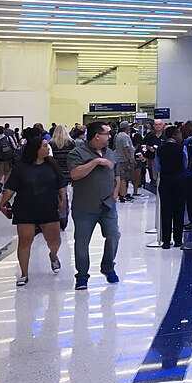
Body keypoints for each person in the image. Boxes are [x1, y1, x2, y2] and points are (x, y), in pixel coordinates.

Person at [0, 131, 66, 286]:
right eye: (44, 146)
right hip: (25, 208)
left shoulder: (52, 165)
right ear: (36, 149)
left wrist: (63, 200)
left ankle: (53, 256)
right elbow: (11, 187)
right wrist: (3, 203)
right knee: (25, 240)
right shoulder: (21, 167)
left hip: (48, 207)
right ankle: (24, 274)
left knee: (54, 240)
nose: (48, 149)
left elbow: (60, 184)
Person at [68, 122, 120, 290]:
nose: (109, 136)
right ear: (97, 136)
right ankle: (82, 276)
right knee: (82, 242)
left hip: (107, 204)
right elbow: (75, 175)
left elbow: (116, 175)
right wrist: (96, 161)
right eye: (107, 133)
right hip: (84, 207)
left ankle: (108, 266)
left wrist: (116, 192)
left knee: (113, 235)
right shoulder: (77, 153)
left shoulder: (111, 153)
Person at [155, 126, 187, 248]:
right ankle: (178, 239)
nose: (181, 136)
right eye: (179, 133)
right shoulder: (181, 147)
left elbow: (157, 166)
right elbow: (185, 163)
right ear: (174, 135)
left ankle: (166, 241)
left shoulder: (160, 149)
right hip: (179, 179)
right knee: (179, 209)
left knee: (166, 210)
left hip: (165, 179)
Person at [50, 125, 76, 230]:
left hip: (55, 173)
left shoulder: (51, 144)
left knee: (57, 195)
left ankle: (57, 216)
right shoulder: (72, 144)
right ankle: (64, 217)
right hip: (68, 172)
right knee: (65, 195)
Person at [113, 121, 134, 203]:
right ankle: (123, 195)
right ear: (126, 127)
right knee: (124, 178)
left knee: (121, 177)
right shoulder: (125, 136)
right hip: (124, 160)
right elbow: (126, 148)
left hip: (119, 159)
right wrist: (130, 158)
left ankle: (122, 194)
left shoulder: (118, 135)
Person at [0, 124, 19, 193]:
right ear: (3, 131)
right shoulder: (8, 138)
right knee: (7, 173)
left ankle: (0, 183)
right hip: (8, 158)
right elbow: (14, 146)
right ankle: (5, 187)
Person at [144, 119, 165, 188]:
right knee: (151, 169)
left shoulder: (165, 135)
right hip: (151, 156)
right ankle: (153, 180)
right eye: (156, 125)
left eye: (159, 124)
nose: (158, 126)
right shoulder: (150, 135)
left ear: (163, 125)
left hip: (163, 156)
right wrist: (150, 148)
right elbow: (146, 145)